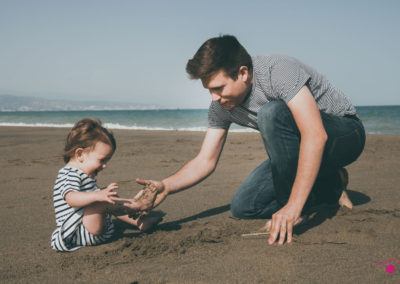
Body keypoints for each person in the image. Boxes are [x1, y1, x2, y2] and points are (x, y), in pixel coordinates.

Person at [137, 35, 365, 245]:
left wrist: (293, 207)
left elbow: (315, 134)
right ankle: (331, 183)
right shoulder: (221, 106)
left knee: (271, 113)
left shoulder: (277, 71)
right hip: (302, 147)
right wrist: (166, 186)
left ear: (243, 73)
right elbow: (205, 160)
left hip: (345, 135)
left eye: (218, 88)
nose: (214, 98)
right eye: (209, 90)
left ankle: (297, 208)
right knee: (245, 206)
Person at [51, 118, 160, 252]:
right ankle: (138, 205)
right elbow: (71, 198)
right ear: (80, 154)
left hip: (88, 226)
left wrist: (101, 194)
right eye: (102, 160)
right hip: (78, 232)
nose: (105, 166)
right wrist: (97, 195)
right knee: (102, 200)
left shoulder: (82, 172)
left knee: (108, 196)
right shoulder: (69, 174)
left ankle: (139, 222)